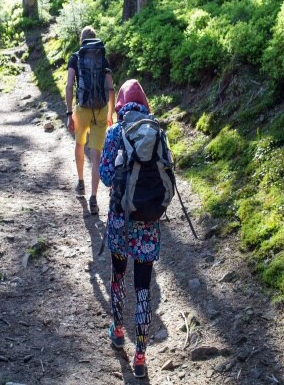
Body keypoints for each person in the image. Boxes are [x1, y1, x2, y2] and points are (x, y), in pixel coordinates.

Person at [99, 79, 163, 379]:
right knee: (142, 289)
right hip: (149, 224)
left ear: (122, 103)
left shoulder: (115, 132)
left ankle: (118, 330)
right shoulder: (156, 131)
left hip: (119, 222)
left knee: (118, 278)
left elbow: (106, 176)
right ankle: (140, 357)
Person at [65, 26, 115, 215]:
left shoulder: (75, 57)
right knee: (96, 155)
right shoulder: (102, 57)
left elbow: (69, 86)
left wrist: (69, 113)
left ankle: (80, 183)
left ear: (81, 40)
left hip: (82, 109)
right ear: (95, 39)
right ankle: (94, 198)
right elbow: (110, 88)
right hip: (101, 110)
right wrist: (110, 113)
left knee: (79, 144)